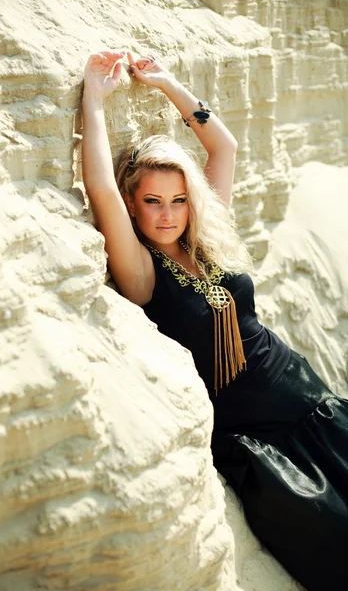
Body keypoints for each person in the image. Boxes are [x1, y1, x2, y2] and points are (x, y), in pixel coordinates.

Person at [82, 49, 348, 590]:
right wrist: (93, 99)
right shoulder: (140, 272)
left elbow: (222, 145)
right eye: (152, 201)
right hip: (255, 435)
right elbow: (102, 190)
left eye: (178, 200)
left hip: (305, 395)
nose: (166, 214)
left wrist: (169, 84)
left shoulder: (205, 241)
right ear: (134, 206)